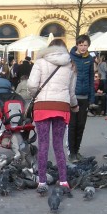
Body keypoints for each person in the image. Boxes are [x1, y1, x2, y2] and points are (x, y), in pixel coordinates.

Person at [26, 39, 77, 191]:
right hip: (62, 106)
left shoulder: (40, 62)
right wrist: (74, 105)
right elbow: (71, 91)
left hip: (42, 106)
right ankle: (63, 180)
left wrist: (34, 94)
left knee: (43, 145)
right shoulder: (71, 64)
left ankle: (42, 182)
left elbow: (32, 85)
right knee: (58, 145)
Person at [68, 35, 95, 163]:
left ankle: (77, 150)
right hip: (73, 97)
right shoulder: (70, 58)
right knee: (72, 125)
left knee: (81, 126)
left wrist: (92, 97)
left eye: (85, 45)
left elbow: (91, 79)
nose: (83, 47)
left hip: (85, 97)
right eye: (81, 45)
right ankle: (72, 153)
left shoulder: (89, 59)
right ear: (77, 45)